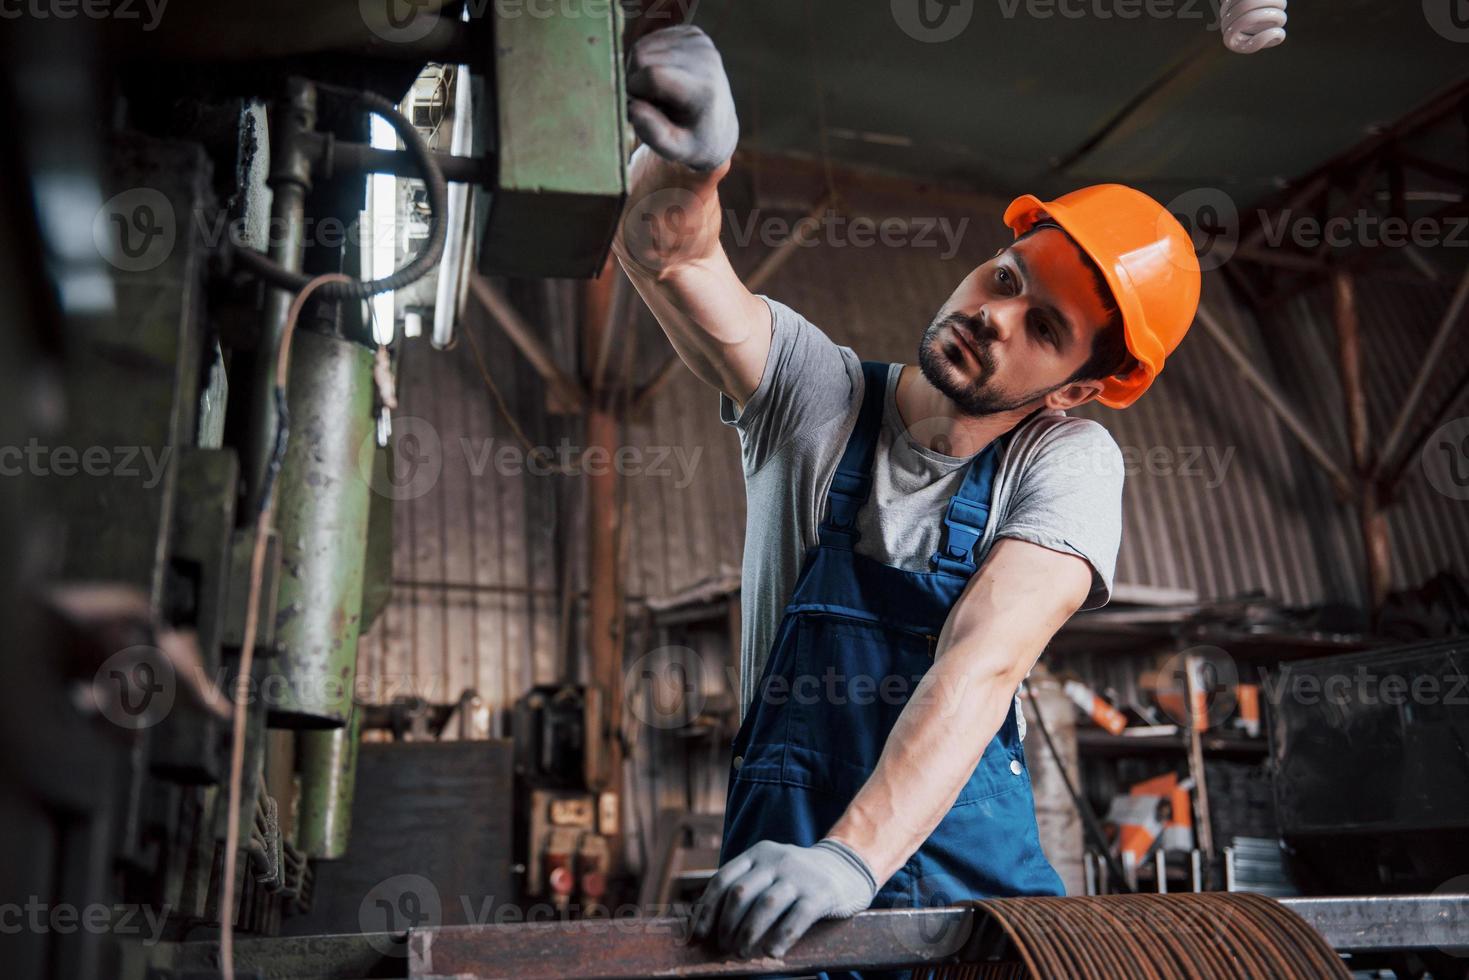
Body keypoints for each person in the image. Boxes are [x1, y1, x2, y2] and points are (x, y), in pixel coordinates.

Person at [613, 24, 1201, 978]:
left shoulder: (1065, 460)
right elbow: (674, 262)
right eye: (1005, 279)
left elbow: (980, 664)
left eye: (1042, 328)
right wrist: (692, 170)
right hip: (784, 895)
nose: (993, 315)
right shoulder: (814, 397)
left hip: (972, 920)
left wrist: (851, 857)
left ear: (1073, 389)